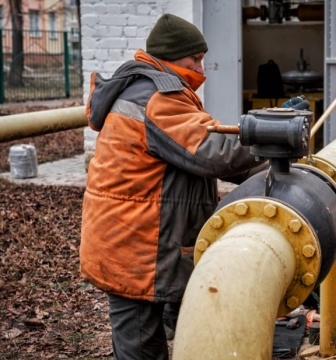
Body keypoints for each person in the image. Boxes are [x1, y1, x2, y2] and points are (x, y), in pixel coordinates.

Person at [79, 13, 308, 359]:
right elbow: (212, 152)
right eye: (195, 59)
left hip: (137, 238)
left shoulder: (155, 90)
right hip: (133, 247)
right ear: (171, 57)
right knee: (140, 347)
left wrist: (268, 151)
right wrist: (274, 129)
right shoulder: (158, 97)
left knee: (170, 320)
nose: (202, 68)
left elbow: (199, 148)